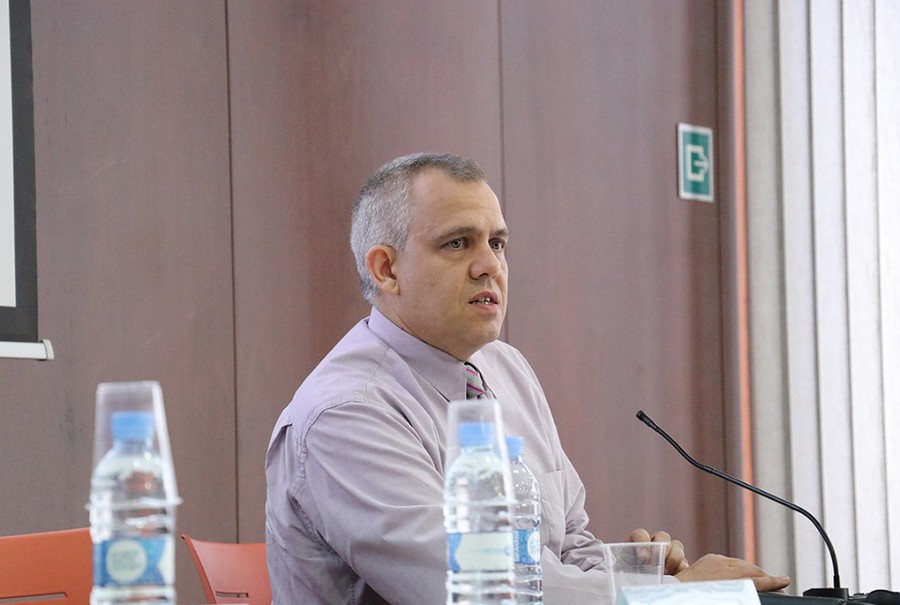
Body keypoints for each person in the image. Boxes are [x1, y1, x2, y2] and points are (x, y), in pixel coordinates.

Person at [265, 152, 790, 604]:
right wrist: (672, 597)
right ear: (386, 269)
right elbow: (474, 590)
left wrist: (644, 574)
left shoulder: (505, 369)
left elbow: (567, 546)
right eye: (457, 244)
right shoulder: (349, 412)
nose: (488, 266)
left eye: (497, 243)